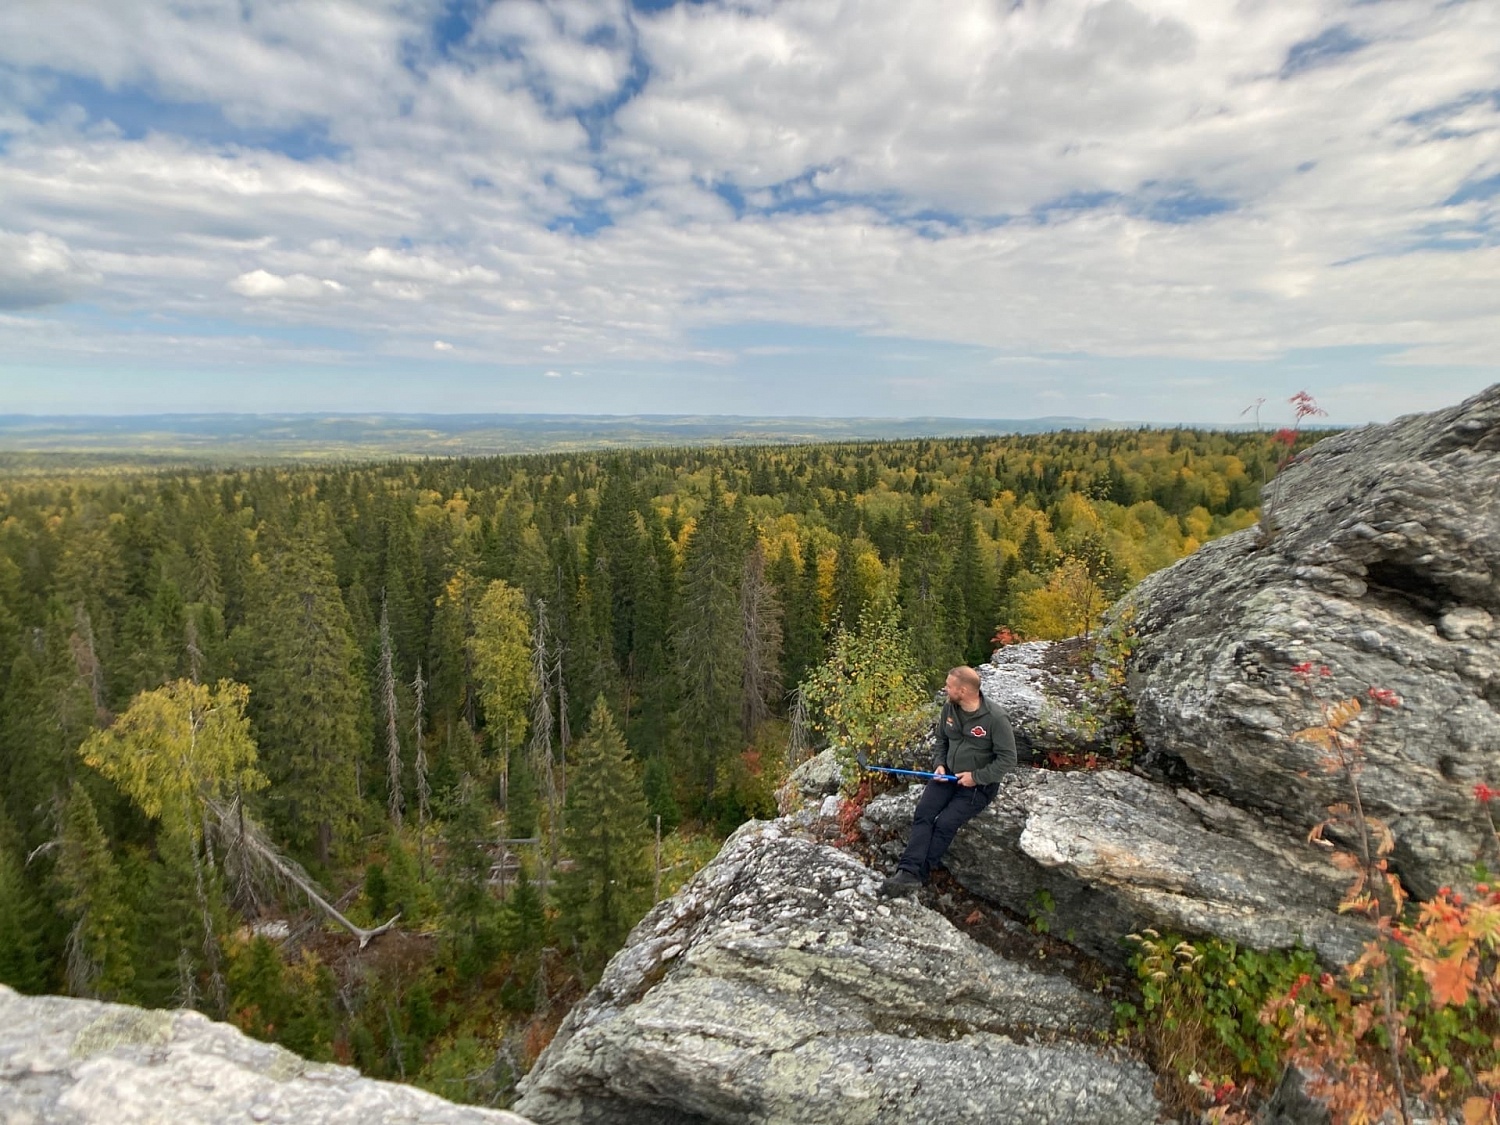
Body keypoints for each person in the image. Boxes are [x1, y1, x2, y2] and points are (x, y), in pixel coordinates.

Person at [879, 665, 1016, 898]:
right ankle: (908, 869)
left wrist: (976, 777)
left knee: (945, 823)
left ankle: (916, 875)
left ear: (962, 691)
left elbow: (1008, 759)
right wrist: (939, 764)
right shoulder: (949, 709)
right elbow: (941, 740)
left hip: (978, 786)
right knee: (923, 813)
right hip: (947, 775)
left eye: (949, 686)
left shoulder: (995, 718)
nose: (945, 688)